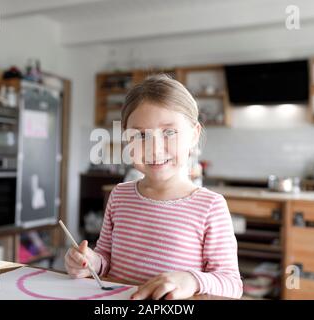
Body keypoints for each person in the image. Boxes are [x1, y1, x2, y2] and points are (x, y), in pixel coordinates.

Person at [65, 74, 242, 300]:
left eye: (169, 132)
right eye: (140, 135)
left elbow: (231, 285)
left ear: (194, 135)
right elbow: (105, 259)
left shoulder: (210, 206)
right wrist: (89, 262)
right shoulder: (119, 195)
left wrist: (192, 279)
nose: (154, 148)